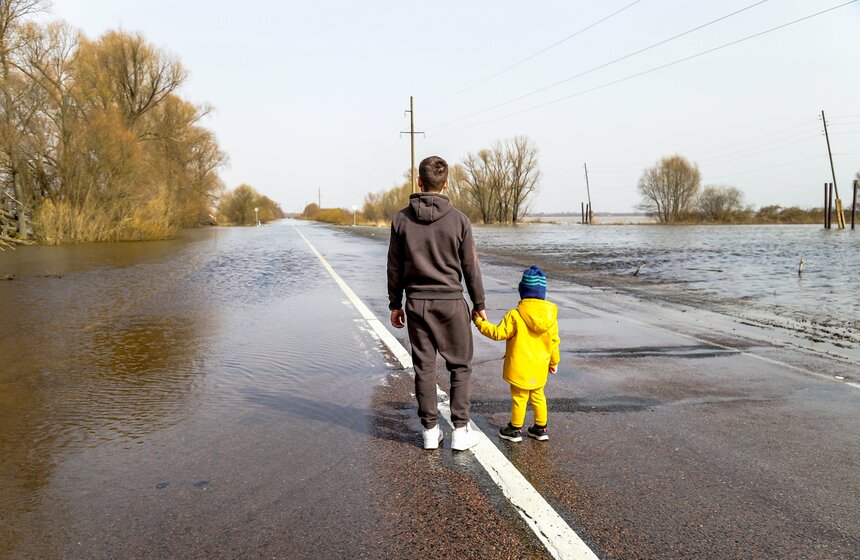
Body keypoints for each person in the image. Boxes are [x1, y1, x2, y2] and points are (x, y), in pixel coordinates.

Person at [387, 155, 486, 451]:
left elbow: (394, 266)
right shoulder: (459, 220)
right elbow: (471, 267)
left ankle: (430, 432)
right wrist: (479, 303)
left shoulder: (401, 219)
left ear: (419, 182)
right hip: (451, 303)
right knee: (460, 367)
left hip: (417, 303)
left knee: (424, 368)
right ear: (445, 184)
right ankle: (459, 431)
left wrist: (396, 303)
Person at [473, 265, 559, 442]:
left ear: (522, 292)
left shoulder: (515, 315)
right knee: (538, 396)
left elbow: (497, 333)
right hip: (539, 367)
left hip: (520, 367)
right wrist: (553, 362)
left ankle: (515, 429)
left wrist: (479, 322)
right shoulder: (551, 319)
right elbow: (554, 343)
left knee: (520, 397)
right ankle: (541, 428)